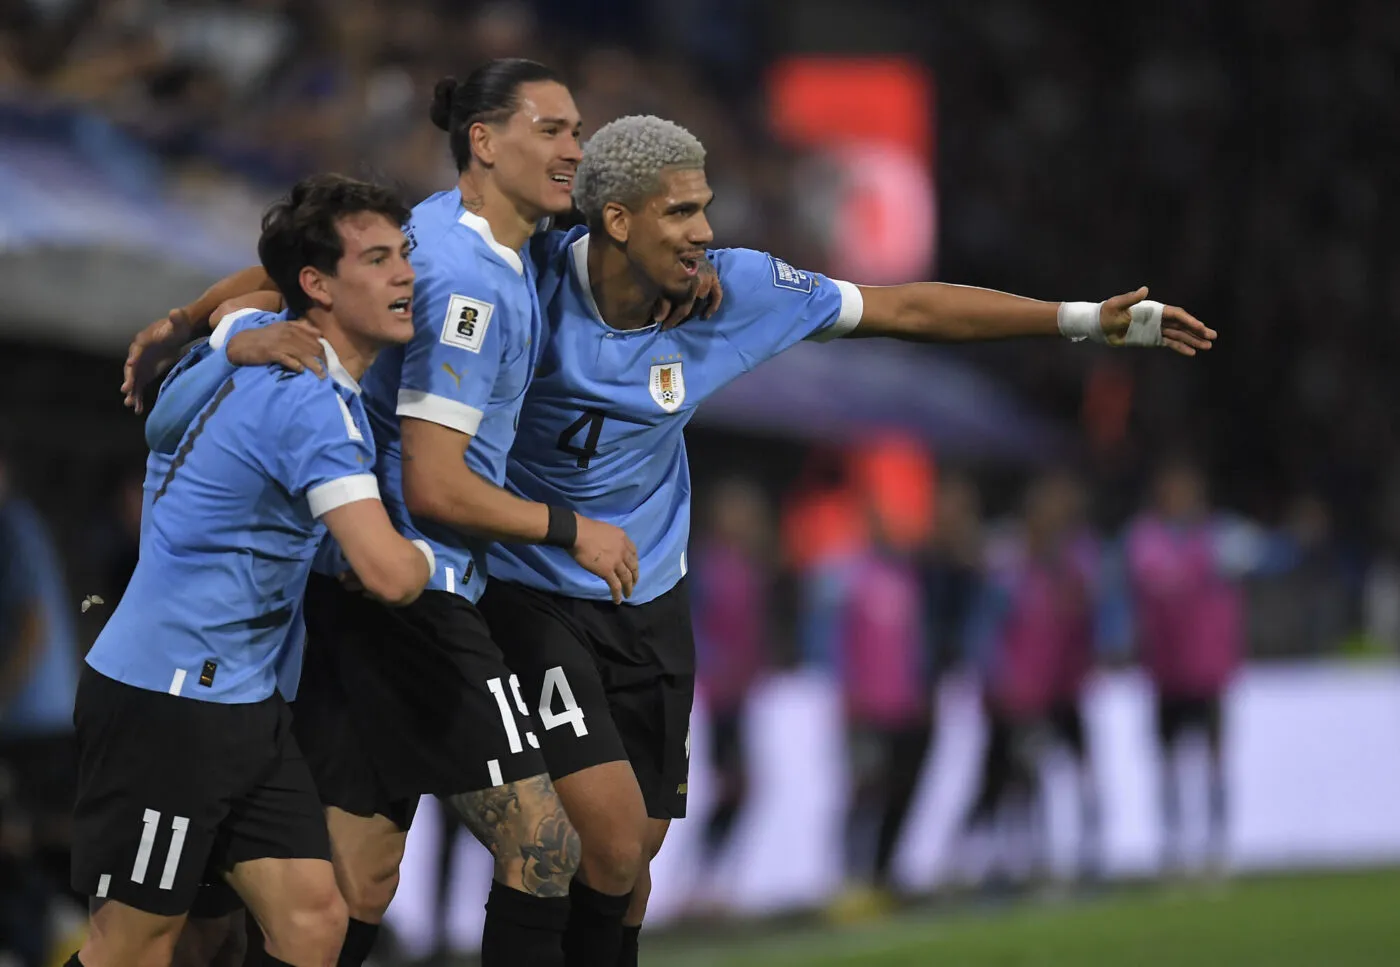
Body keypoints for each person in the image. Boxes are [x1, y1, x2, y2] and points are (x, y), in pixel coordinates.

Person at [473, 114, 1216, 964]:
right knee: (578, 845)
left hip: (646, 602)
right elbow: (390, 282)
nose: (706, 231)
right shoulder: (516, 285)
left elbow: (906, 307)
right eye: (680, 213)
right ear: (617, 221)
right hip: (535, 589)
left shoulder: (735, 291)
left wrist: (1079, 319)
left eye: (705, 208)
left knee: (630, 864)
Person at [67, 173, 432, 967]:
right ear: (316, 285)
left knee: (312, 919)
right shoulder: (308, 403)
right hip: (168, 702)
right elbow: (393, 575)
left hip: (241, 699)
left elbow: (232, 316)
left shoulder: (254, 337)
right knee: (132, 945)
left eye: (404, 253)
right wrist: (454, 548)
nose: (407, 273)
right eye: (378, 259)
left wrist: (204, 323)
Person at [1124, 457, 1243, 875]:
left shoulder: (1219, 534)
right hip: (1167, 671)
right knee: (1169, 763)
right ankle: (1173, 848)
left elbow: (1263, 554)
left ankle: (1216, 846)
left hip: (1208, 669)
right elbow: (1151, 579)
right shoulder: (1147, 538)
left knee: (1214, 760)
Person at [0, 449, 80, 967]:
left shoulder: (14, 526)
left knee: (30, 841)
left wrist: (0, 698)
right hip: (35, 720)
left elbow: (34, 625)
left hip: (35, 722)